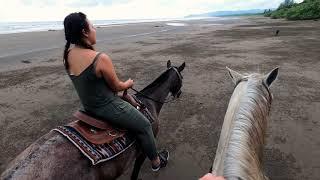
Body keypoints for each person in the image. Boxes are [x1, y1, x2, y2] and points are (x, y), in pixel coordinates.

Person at [63, 12, 168, 171]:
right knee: (146, 125)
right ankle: (156, 162)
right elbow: (116, 87)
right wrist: (128, 83)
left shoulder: (67, 55)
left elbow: (93, 86)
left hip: (87, 106)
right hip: (107, 107)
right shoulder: (100, 58)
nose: (95, 28)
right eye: (92, 26)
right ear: (84, 32)